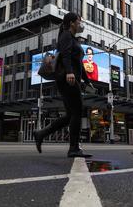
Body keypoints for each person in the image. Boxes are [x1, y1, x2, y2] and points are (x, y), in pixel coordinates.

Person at [33, 12, 92, 158]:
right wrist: (69, 73)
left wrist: (88, 80)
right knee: (77, 112)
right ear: (72, 23)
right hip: (68, 80)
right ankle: (73, 148)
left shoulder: (72, 38)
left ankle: (41, 134)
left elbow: (78, 63)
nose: (81, 23)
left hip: (71, 79)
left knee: (70, 115)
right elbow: (65, 55)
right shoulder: (66, 35)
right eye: (79, 20)